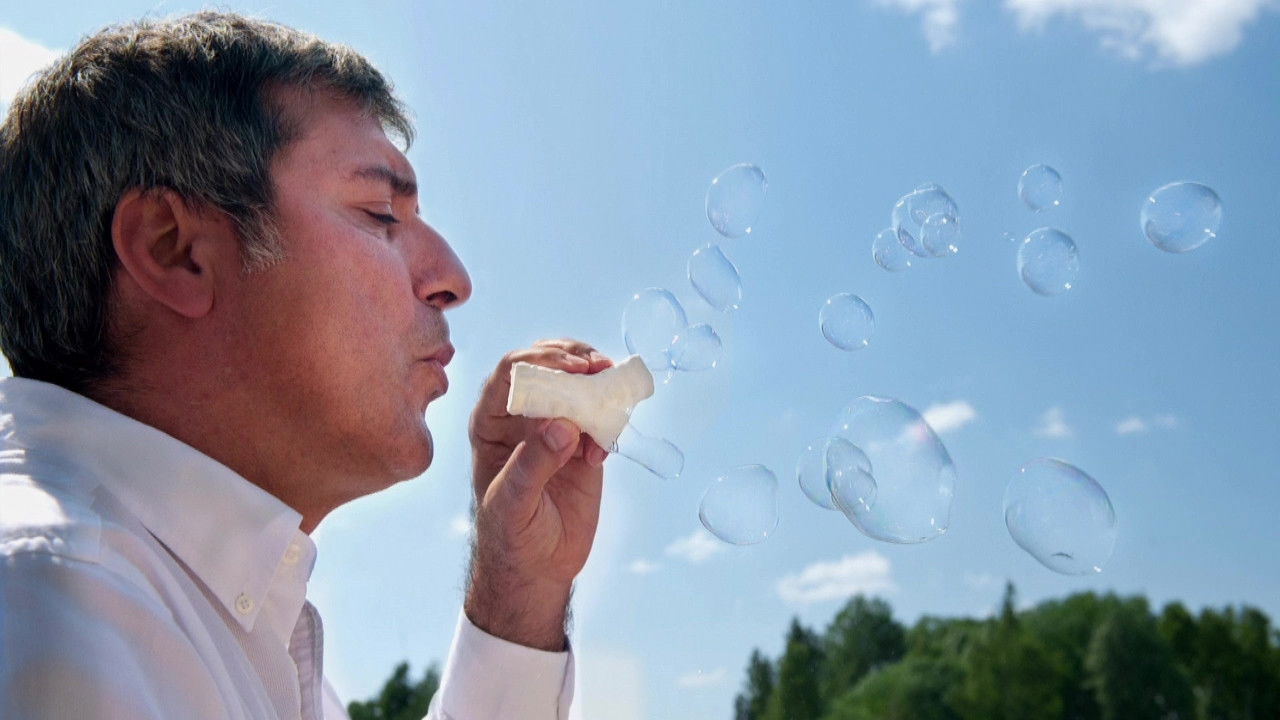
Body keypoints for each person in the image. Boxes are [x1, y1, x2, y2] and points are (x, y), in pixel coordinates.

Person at [0, 11, 610, 719]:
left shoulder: (184, 616)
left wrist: (518, 589)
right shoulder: (53, 602)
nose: (452, 278)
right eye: (381, 213)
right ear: (176, 249)